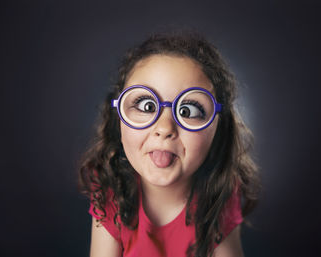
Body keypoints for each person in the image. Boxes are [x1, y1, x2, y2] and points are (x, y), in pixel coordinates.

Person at [78, 30, 260, 257]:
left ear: (217, 127)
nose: (164, 128)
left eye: (188, 110)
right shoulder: (110, 188)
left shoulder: (219, 194)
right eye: (146, 106)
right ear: (119, 118)